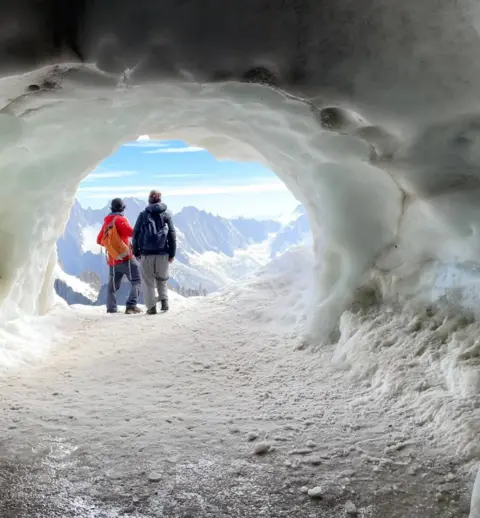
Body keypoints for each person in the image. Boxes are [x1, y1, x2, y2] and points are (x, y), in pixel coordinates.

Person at [132, 190, 177, 314]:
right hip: (163, 253)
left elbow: (135, 235)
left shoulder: (142, 215)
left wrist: (136, 252)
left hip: (146, 254)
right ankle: (164, 303)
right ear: (160, 200)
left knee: (148, 282)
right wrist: (172, 253)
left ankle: (151, 308)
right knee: (162, 279)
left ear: (149, 200)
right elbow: (172, 234)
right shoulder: (166, 215)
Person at [96, 198, 142, 314]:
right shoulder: (120, 220)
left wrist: (112, 246)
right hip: (126, 259)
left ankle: (111, 309)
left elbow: (99, 240)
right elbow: (132, 233)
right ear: (122, 208)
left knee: (112, 288)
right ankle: (131, 306)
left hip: (113, 261)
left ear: (111, 208)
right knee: (136, 281)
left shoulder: (107, 222)